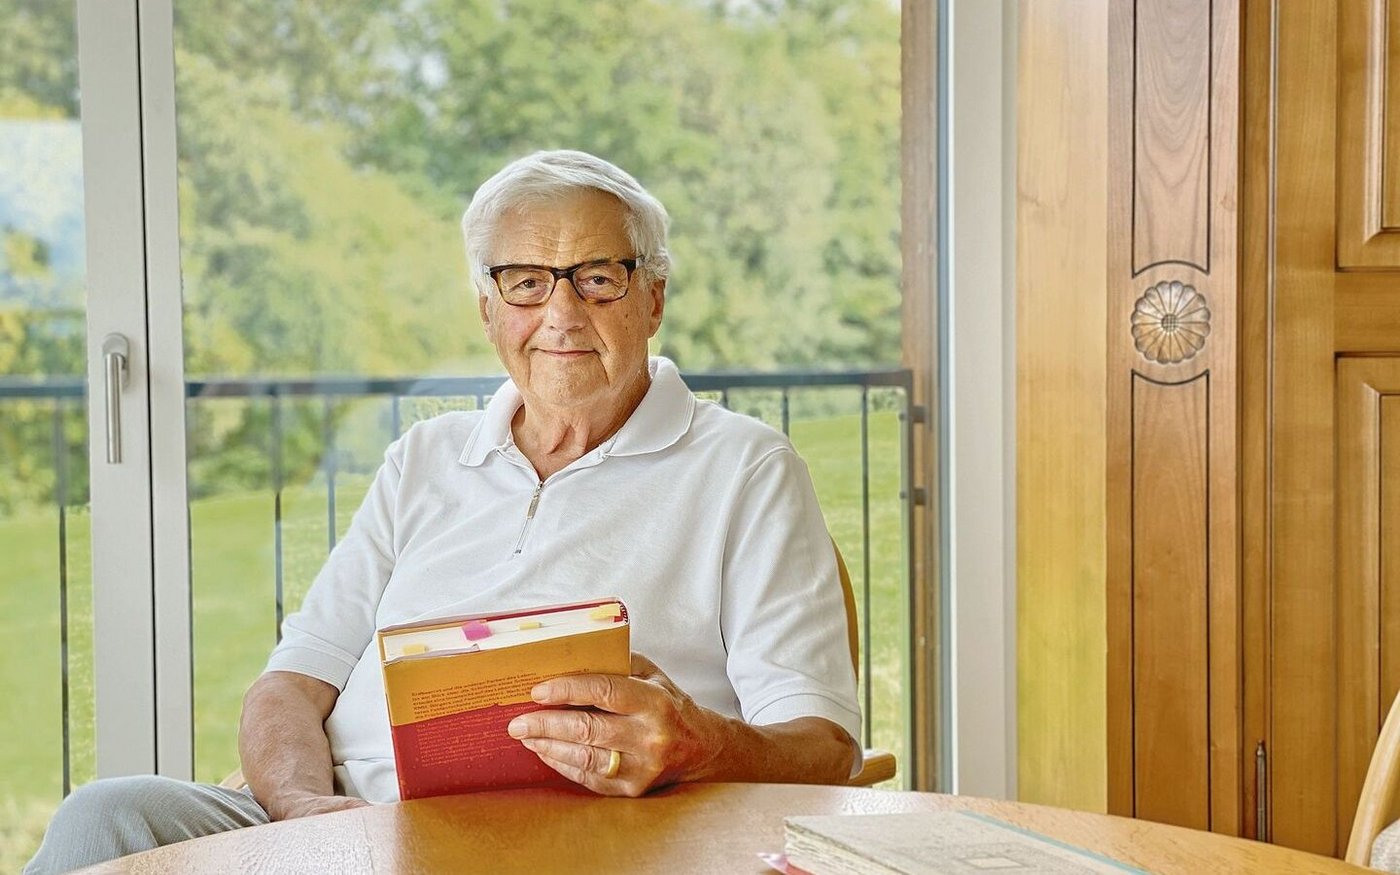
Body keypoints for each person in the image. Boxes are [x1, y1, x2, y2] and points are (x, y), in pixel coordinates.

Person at [25, 149, 860, 873]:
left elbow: (825, 750)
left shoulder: (745, 467)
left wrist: (698, 744)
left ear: (654, 298)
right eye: (526, 282)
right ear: (489, 310)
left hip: (573, 847)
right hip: (340, 831)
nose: (561, 314)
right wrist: (302, 810)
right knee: (107, 815)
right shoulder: (425, 457)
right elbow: (290, 684)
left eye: (598, 278)